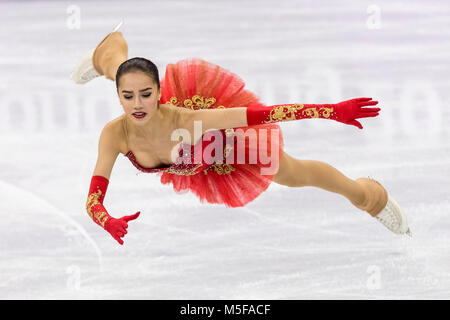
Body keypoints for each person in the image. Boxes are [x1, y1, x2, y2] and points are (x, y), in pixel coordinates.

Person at [73, 23, 411, 245]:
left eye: (147, 94)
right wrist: (106, 220)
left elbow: (266, 114)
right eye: (127, 96)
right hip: (191, 158)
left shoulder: (190, 121)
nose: (137, 104)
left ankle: (367, 196)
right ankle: (108, 55)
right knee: (125, 71)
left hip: (222, 145)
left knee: (291, 173)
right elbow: (93, 199)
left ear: (160, 92)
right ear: (117, 97)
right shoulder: (114, 135)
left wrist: (330, 110)